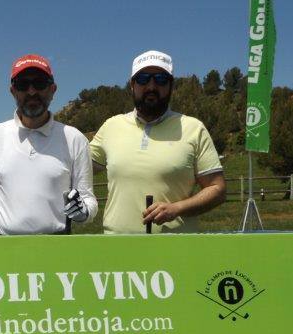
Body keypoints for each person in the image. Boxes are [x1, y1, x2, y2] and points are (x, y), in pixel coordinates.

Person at [90, 50, 226, 234]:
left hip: (175, 251)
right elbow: (78, 168)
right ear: (132, 85)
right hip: (117, 248)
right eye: (143, 79)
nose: (151, 86)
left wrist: (176, 209)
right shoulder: (111, 126)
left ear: (171, 85)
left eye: (161, 79)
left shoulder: (193, 128)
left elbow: (217, 189)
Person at [0, 54, 97, 235]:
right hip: (2, 249)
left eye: (39, 83)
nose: (32, 92)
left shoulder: (74, 138)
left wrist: (83, 212)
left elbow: (88, 198)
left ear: (53, 89)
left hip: (56, 249)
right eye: (23, 85)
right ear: (13, 91)